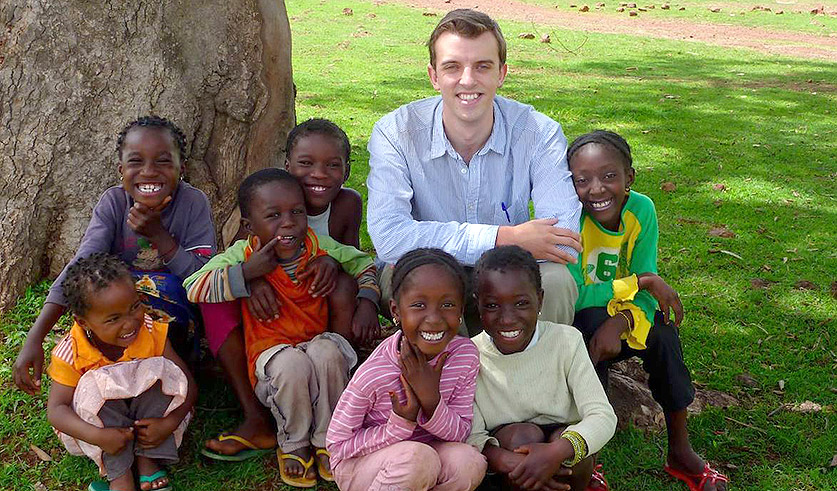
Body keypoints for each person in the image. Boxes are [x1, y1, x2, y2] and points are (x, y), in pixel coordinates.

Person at [366, 8, 582, 332]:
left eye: (483, 66)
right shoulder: (395, 133)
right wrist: (505, 237)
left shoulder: (538, 132)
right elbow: (389, 237)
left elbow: (563, 241)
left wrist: (498, 251)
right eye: (452, 67)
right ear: (434, 76)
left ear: (502, 73)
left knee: (557, 282)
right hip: (428, 271)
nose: (468, 80)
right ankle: (450, 380)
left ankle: (532, 377)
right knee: (421, 284)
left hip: (507, 271)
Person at [184, 168, 378, 487]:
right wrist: (246, 273)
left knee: (328, 350)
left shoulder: (318, 246)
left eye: (297, 212)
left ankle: (328, 439)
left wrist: (366, 297)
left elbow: (364, 264)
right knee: (292, 363)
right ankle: (294, 443)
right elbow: (193, 287)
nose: (288, 222)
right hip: (272, 365)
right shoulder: (242, 254)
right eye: (273, 215)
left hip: (316, 352)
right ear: (250, 226)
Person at [566, 130, 728, 491]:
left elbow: (648, 297)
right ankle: (590, 457)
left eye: (609, 176)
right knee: (587, 332)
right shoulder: (569, 216)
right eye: (583, 180)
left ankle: (680, 452)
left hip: (627, 317)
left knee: (665, 337)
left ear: (629, 180)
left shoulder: (642, 209)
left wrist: (623, 317)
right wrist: (638, 281)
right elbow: (575, 296)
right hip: (584, 320)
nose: (596, 189)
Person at [14, 115, 215, 396]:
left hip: (175, 323)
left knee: (164, 286)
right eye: (135, 162)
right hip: (120, 318)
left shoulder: (193, 203)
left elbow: (204, 277)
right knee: (100, 294)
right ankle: (111, 371)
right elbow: (81, 267)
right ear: (121, 170)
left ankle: (171, 368)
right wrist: (35, 337)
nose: (149, 171)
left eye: (163, 161)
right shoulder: (114, 202)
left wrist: (159, 236)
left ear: (182, 167)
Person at [326, 248, 487, 491]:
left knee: (469, 462)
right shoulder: (376, 373)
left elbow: (461, 431)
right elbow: (338, 445)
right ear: (395, 312)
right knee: (418, 459)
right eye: (419, 305)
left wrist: (431, 402)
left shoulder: (464, 356)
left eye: (447, 304)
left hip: (427, 453)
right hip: (362, 465)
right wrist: (399, 424)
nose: (434, 319)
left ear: (461, 311)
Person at [467, 246, 616, 491]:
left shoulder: (567, 341)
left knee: (568, 444)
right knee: (521, 438)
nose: (507, 318)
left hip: (563, 444)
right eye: (492, 306)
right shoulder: (471, 356)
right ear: (478, 305)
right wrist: (507, 460)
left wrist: (556, 452)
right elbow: (471, 434)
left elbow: (602, 416)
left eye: (521, 303)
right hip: (509, 451)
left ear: (541, 299)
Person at [47, 253, 196, 491]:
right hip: (100, 431)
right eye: (114, 319)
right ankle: (120, 476)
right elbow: (56, 410)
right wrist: (98, 437)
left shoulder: (151, 331)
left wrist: (170, 422)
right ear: (83, 322)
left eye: (135, 307)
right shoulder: (71, 351)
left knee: (163, 371)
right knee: (93, 386)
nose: (130, 323)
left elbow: (185, 381)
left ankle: (148, 460)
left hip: (149, 419)